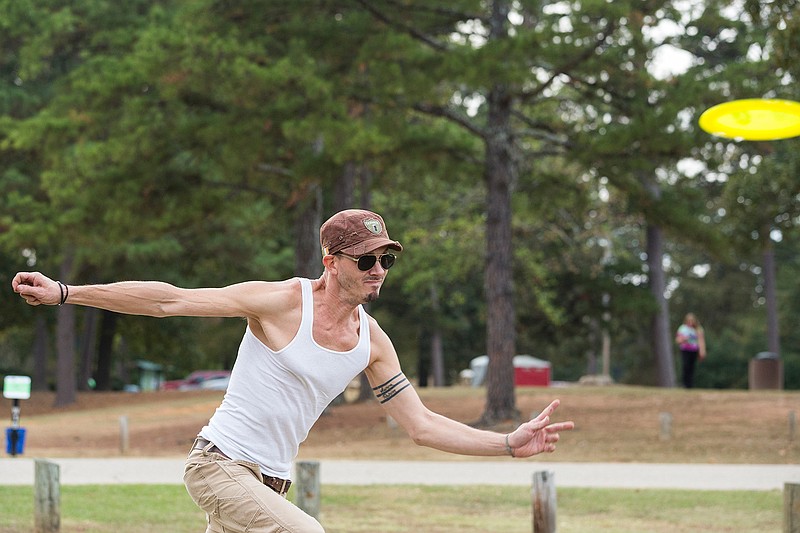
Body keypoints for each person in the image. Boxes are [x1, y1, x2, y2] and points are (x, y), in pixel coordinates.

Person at [12, 208, 575, 533]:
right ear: (331, 262)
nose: (380, 270)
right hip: (220, 466)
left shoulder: (372, 342)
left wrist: (506, 443)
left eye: (387, 259)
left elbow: (422, 426)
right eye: (367, 260)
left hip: (270, 483)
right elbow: (170, 301)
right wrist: (67, 292)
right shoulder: (282, 303)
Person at [675, 312, 706, 389]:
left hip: (694, 350)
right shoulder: (682, 328)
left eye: (692, 320)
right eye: (689, 320)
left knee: (692, 367)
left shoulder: (698, 329)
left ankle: (690, 385)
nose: (690, 322)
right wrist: (684, 339)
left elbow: (701, 341)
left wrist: (702, 351)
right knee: (686, 366)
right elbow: (677, 340)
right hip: (685, 349)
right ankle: (685, 384)